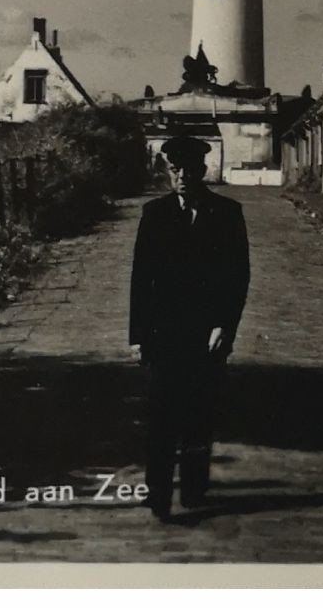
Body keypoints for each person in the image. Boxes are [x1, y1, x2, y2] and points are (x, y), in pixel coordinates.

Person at [128, 135, 250, 520]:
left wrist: (225, 326)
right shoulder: (155, 213)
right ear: (169, 172)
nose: (182, 176)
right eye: (175, 170)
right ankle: (159, 495)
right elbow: (141, 278)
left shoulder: (227, 213)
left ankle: (195, 489)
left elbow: (238, 277)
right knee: (161, 415)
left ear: (203, 171)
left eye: (190, 170)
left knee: (199, 412)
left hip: (207, 334)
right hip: (163, 334)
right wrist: (137, 336)